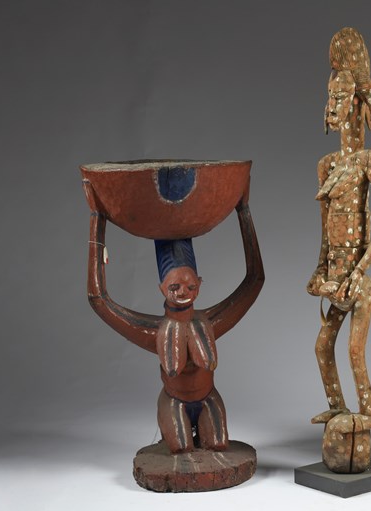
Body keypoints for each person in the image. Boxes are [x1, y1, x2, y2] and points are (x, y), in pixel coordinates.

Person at [85, 187, 264, 453]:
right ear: (161, 288)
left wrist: (244, 211)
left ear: (200, 284)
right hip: (174, 402)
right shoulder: (155, 331)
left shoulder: (210, 322)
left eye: (191, 287)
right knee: (181, 451)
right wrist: (97, 221)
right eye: (174, 287)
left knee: (218, 445)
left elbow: (255, 281)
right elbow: (98, 299)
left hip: (209, 398)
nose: (183, 293)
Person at [306, 27, 371, 438]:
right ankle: (337, 407)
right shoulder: (326, 166)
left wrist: (357, 274)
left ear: (357, 101)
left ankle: (369, 412)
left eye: (339, 98)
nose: (331, 107)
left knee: (355, 350)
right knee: (323, 347)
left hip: (357, 283)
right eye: (329, 98)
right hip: (336, 278)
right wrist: (320, 271)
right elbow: (325, 232)